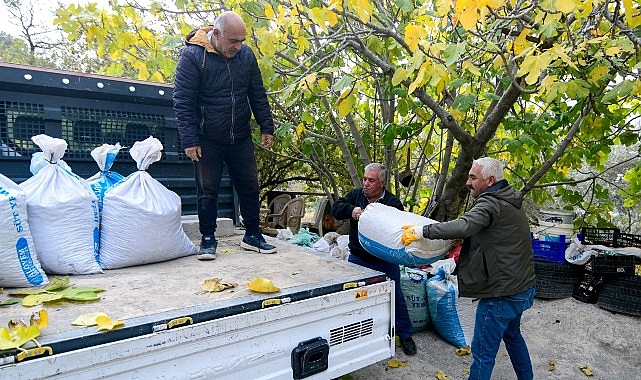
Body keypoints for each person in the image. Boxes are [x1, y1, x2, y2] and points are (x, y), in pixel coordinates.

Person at [401, 157, 536, 379]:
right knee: (513, 337)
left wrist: (423, 231)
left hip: (501, 294)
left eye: (473, 177)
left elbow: (465, 225)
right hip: (521, 287)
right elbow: (495, 236)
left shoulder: (490, 203)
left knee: (483, 353)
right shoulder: (508, 198)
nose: (468, 182)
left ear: (490, 180)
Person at [173, 11, 277, 260]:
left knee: (250, 186)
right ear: (216, 35)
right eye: (233, 41)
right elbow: (182, 101)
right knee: (207, 189)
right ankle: (208, 238)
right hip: (207, 137)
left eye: (241, 41)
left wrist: (266, 126)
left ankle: (252, 234)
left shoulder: (246, 56)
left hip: (239, 136)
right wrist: (190, 139)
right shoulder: (193, 56)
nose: (238, 46)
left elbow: (257, 93)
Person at [332, 163, 417, 356]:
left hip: (385, 261)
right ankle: (353, 337)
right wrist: (352, 211)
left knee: (395, 298)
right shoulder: (356, 196)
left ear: (382, 182)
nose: (366, 184)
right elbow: (336, 208)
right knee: (355, 298)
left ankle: (405, 336)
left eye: (371, 180)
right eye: (364, 179)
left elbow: (399, 230)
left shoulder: (393, 203)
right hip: (358, 258)